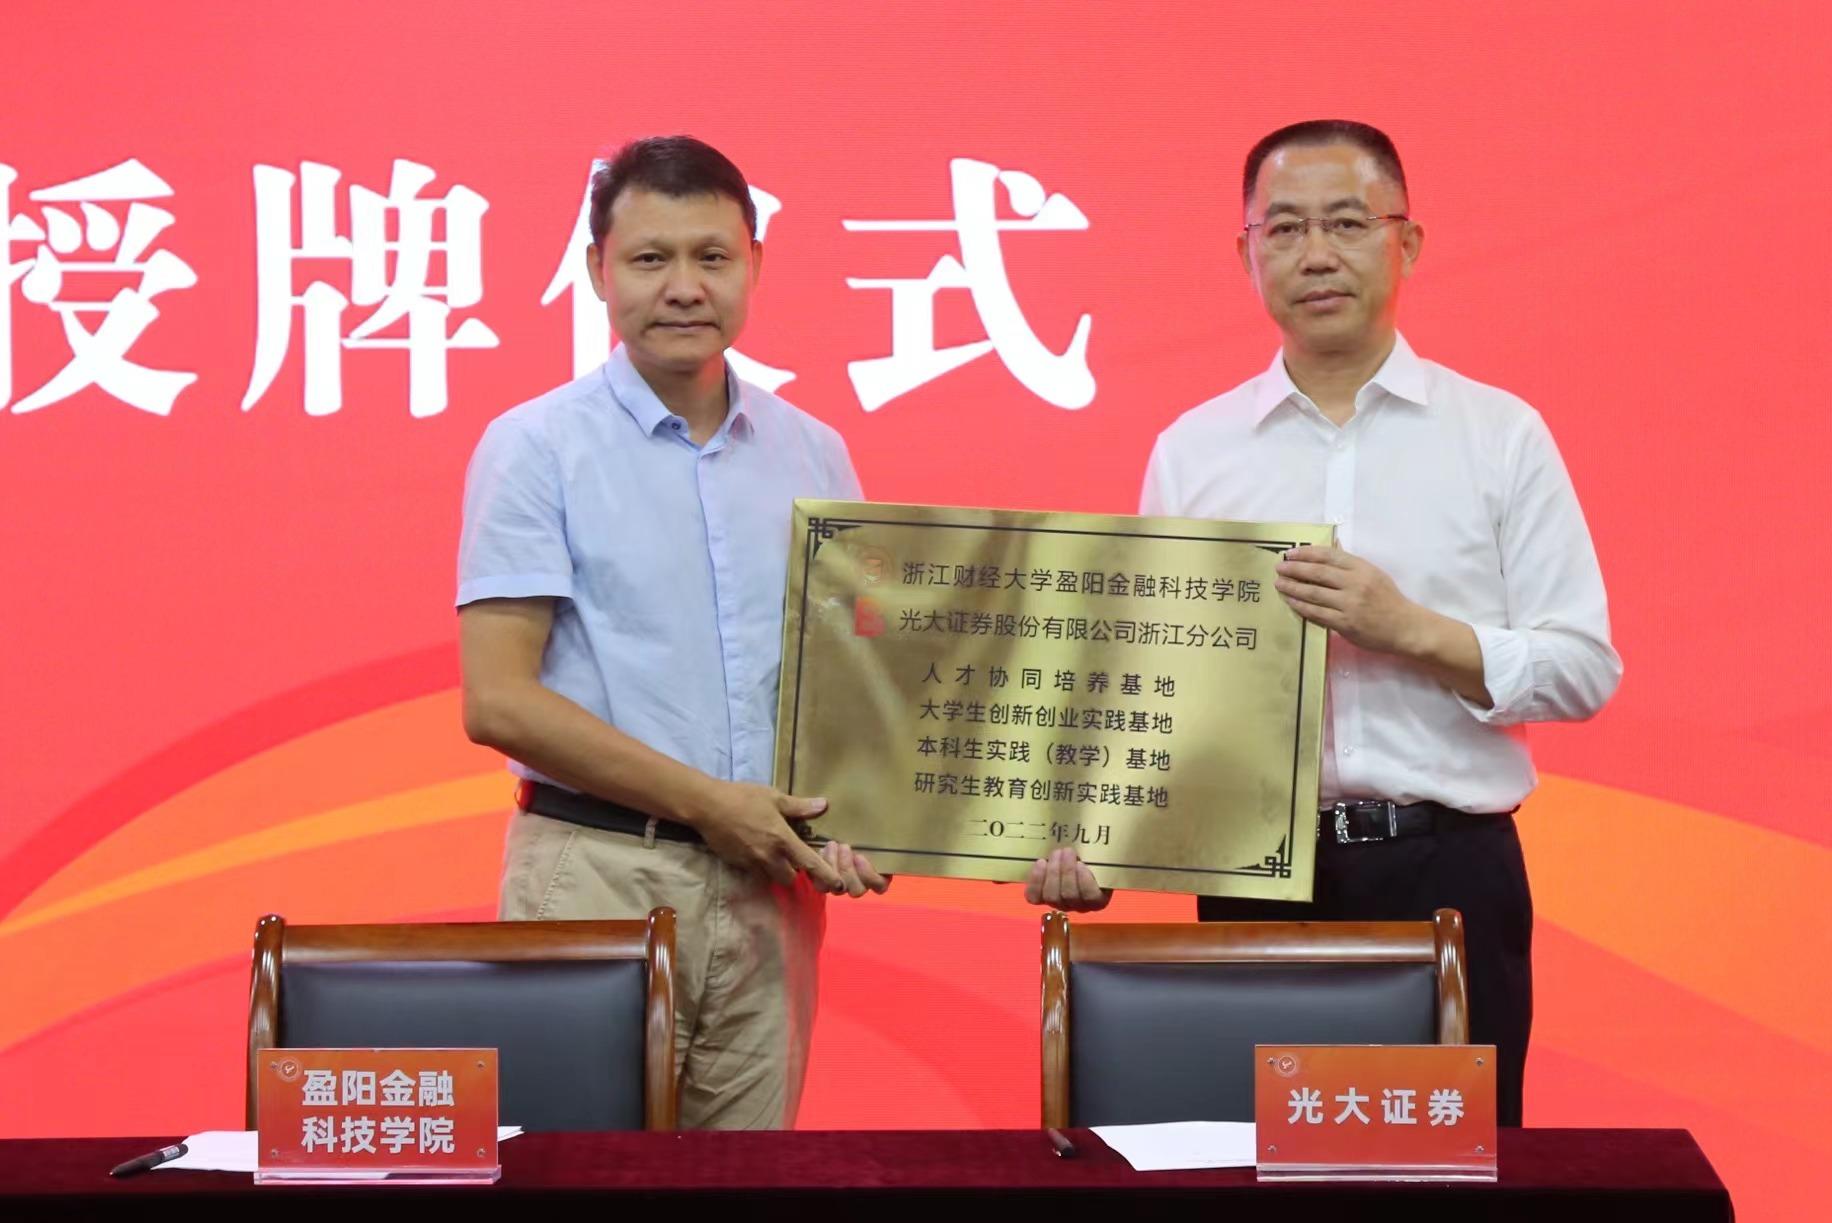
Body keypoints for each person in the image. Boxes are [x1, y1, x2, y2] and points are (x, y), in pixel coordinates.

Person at [1052, 119, 1622, 1125]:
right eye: (1283, 229)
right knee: (1255, 1165)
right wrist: (1097, 838)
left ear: (1407, 242)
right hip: (1255, 877)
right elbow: (1155, 686)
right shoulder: (1194, 450)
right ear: (1246, 254)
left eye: (1347, 223)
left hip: (1446, 868)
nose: (1315, 253)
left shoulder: (1497, 435)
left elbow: (1581, 667)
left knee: (1446, 1170)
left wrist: (1407, 627)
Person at [455, 135, 888, 1131]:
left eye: (712, 256)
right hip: (597, 873)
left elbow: (855, 681)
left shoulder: (813, 452)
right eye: (651, 258)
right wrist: (712, 805)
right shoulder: (535, 447)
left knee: (745, 1186)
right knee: (576, 1179)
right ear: (597, 269)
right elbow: (499, 701)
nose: (684, 287)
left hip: (769, 893)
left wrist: (879, 814)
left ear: (754, 265)